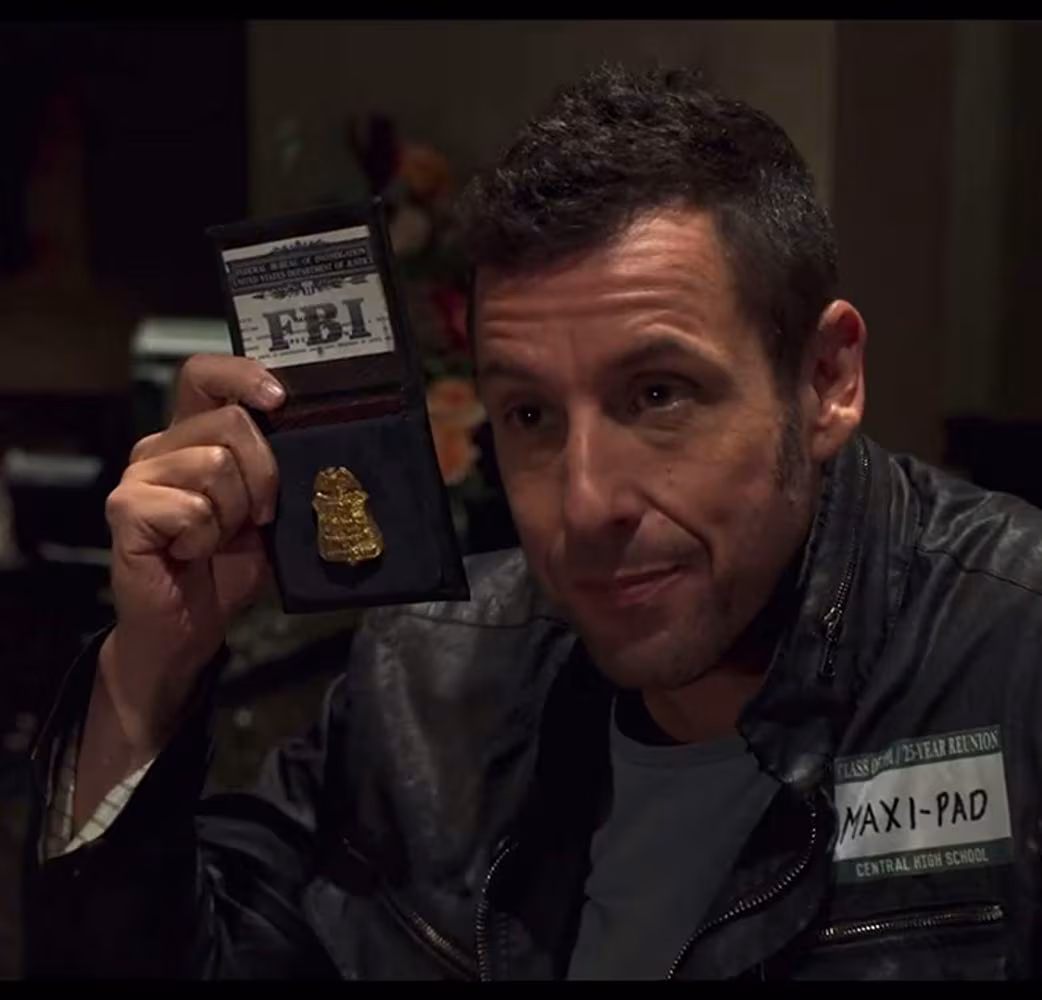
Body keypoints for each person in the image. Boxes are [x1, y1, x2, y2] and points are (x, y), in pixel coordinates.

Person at [21, 62, 1042, 981]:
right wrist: (149, 667)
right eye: (530, 416)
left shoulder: (1008, 656)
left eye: (658, 395)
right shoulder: (427, 685)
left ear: (826, 380)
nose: (584, 503)